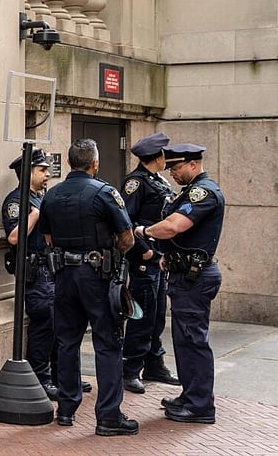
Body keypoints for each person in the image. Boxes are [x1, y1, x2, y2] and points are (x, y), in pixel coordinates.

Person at [38, 138, 138, 436]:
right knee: (107, 343)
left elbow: (47, 239)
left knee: (67, 342)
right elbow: (128, 237)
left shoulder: (51, 195)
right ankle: (108, 417)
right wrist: (110, 257)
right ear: (94, 163)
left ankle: (66, 411)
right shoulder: (104, 192)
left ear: (69, 163)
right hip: (97, 277)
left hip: (64, 277)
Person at [134, 143, 224, 424]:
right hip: (184, 274)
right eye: (170, 167)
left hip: (194, 279)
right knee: (184, 340)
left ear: (194, 165)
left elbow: (174, 226)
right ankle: (190, 396)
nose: (172, 172)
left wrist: (144, 231)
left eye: (177, 167)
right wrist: (168, 258)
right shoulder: (190, 191)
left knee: (193, 341)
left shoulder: (203, 191)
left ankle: (200, 407)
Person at [1, 149, 92, 401]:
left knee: (58, 325)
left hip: (52, 270)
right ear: (27, 172)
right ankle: (41, 379)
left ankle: (61, 377)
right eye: (41, 170)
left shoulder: (42, 197)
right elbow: (14, 237)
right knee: (44, 325)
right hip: (35, 273)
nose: (47, 174)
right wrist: (34, 214)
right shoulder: (16, 202)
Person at [120, 133, 180, 394]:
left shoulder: (157, 180)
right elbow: (126, 222)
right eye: (166, 154)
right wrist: (144, 251)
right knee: (142, 315)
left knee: (157, 315)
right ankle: (130, 369)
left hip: (160, 258)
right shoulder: (135, 183)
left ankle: (154, 364)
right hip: (146, 259)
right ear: (158, 157)